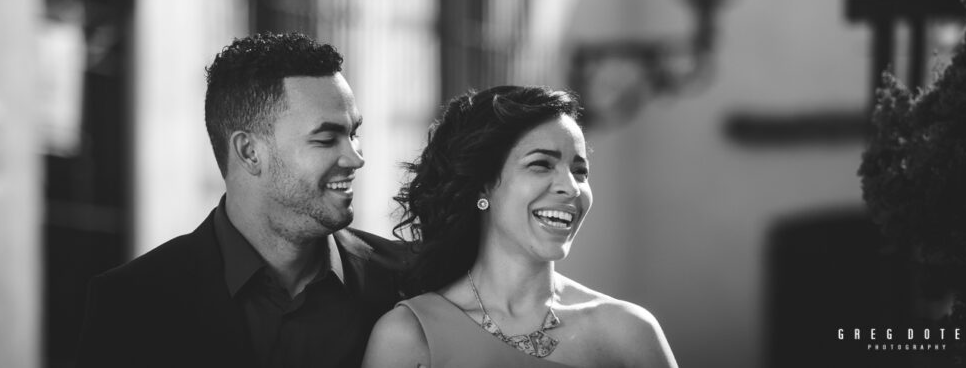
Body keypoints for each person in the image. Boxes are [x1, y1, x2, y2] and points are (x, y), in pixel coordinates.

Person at [76, 32, 407, 368]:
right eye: (326, 139)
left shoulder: (409, 283)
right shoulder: (130, 303)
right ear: (249, 152)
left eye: (353, 133)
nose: (355, 158)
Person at [361, 85, 679, 368]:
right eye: (541, 164)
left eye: (580, 171)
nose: (571, 188)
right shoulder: (409, 335)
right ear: (482, 186)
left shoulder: (627, 332)